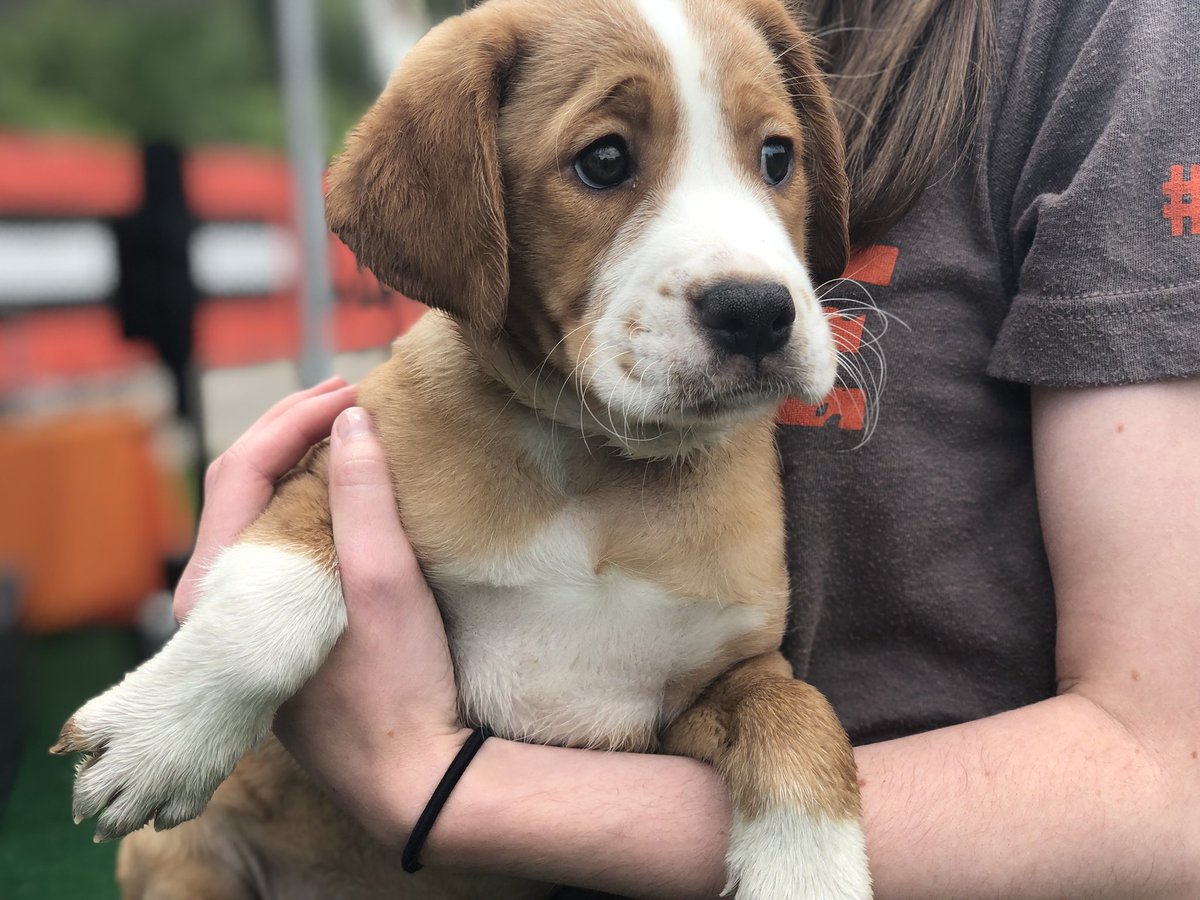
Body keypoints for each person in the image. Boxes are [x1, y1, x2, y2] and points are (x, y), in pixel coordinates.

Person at [178, 0, 1200, 895]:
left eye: (774, 161)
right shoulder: (519, 58)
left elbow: (1168, 784)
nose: (754, 274)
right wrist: (271, 589)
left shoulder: (1098, 36)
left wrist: (429, 782)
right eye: (606, 162)